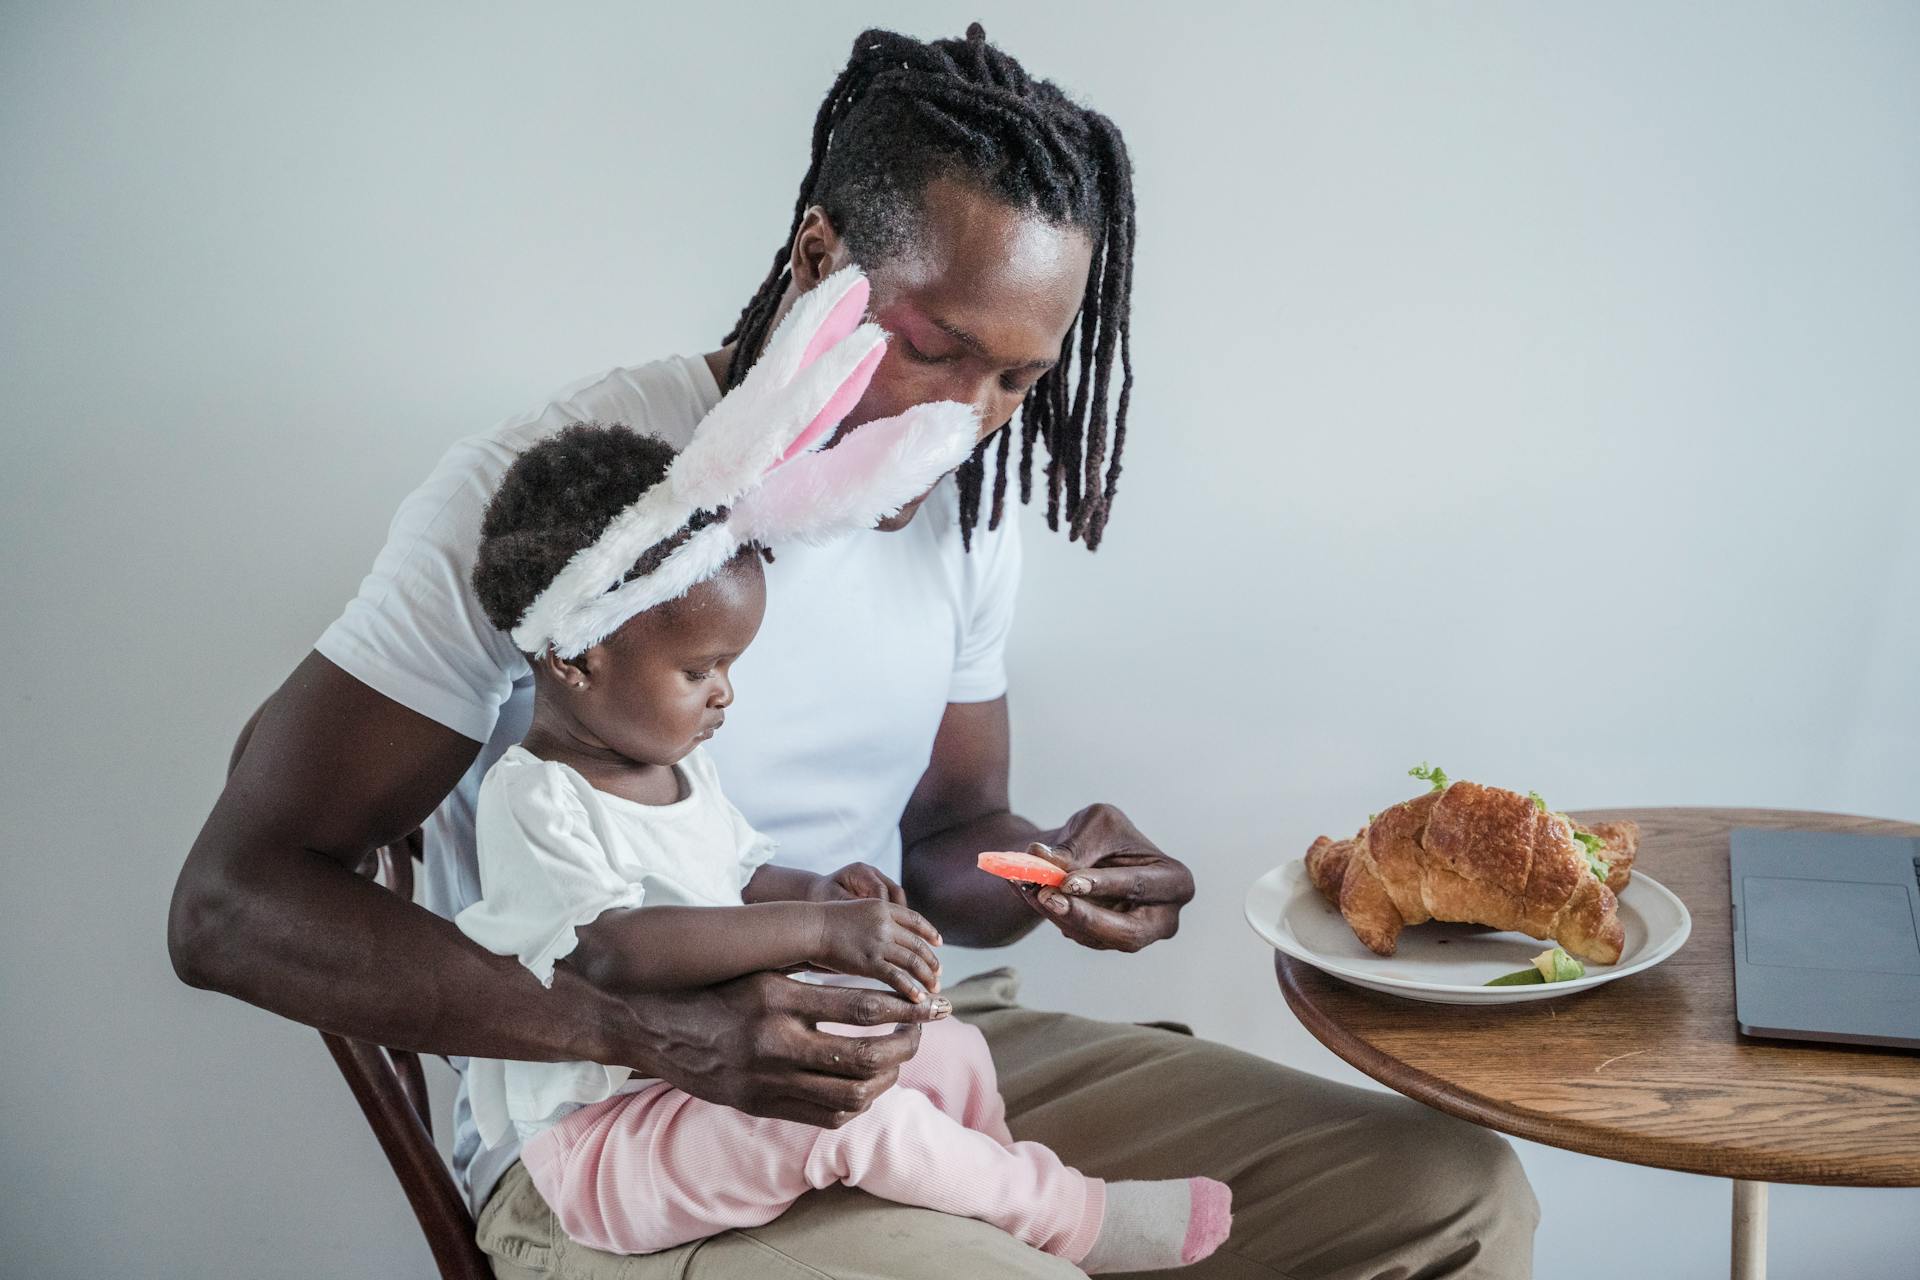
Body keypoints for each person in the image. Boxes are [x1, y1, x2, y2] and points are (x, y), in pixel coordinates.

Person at [170, 23, 1538, 1280]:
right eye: (935, 350)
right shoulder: (562, 499)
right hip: (621, 1129)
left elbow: (947, 836)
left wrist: (1048, 865)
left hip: (910, 1053)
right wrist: (639, 1030)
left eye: (1017, 380)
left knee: (1450, 1190)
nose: (969, 420)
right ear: (821, 257)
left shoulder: (958, 516)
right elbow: (234, 906)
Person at [454, 341, 1233, 1268]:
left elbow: (739, 877)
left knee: (950, 1055)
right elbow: (614, 947)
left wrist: (824, 892)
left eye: (731, 668)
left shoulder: (680, 773)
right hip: (608, 1141)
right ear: (577, 658)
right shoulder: (534, 799)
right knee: (836, 1124)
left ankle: (983, 1203)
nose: (725, 697)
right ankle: (1072, 1220)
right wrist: (817, 935)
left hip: (704, 1089)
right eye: (700, 671)